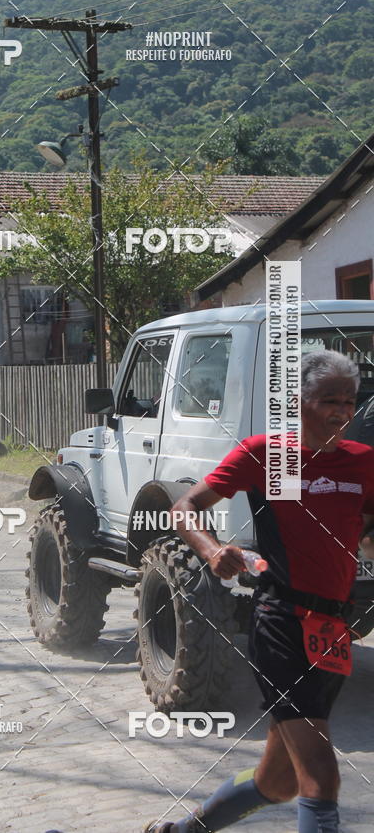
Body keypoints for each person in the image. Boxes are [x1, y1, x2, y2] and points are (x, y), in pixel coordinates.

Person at [142, 350, 374, 833]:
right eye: (329, 399)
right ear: (299, 402)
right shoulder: (265, 454)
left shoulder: (364, 463)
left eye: (349, 401)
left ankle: (182, 830)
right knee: (321, 776)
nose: (341, 411)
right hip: (282, 624)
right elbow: (184, 506)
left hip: (333, 632)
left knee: (279, 782)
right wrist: (210, 551)